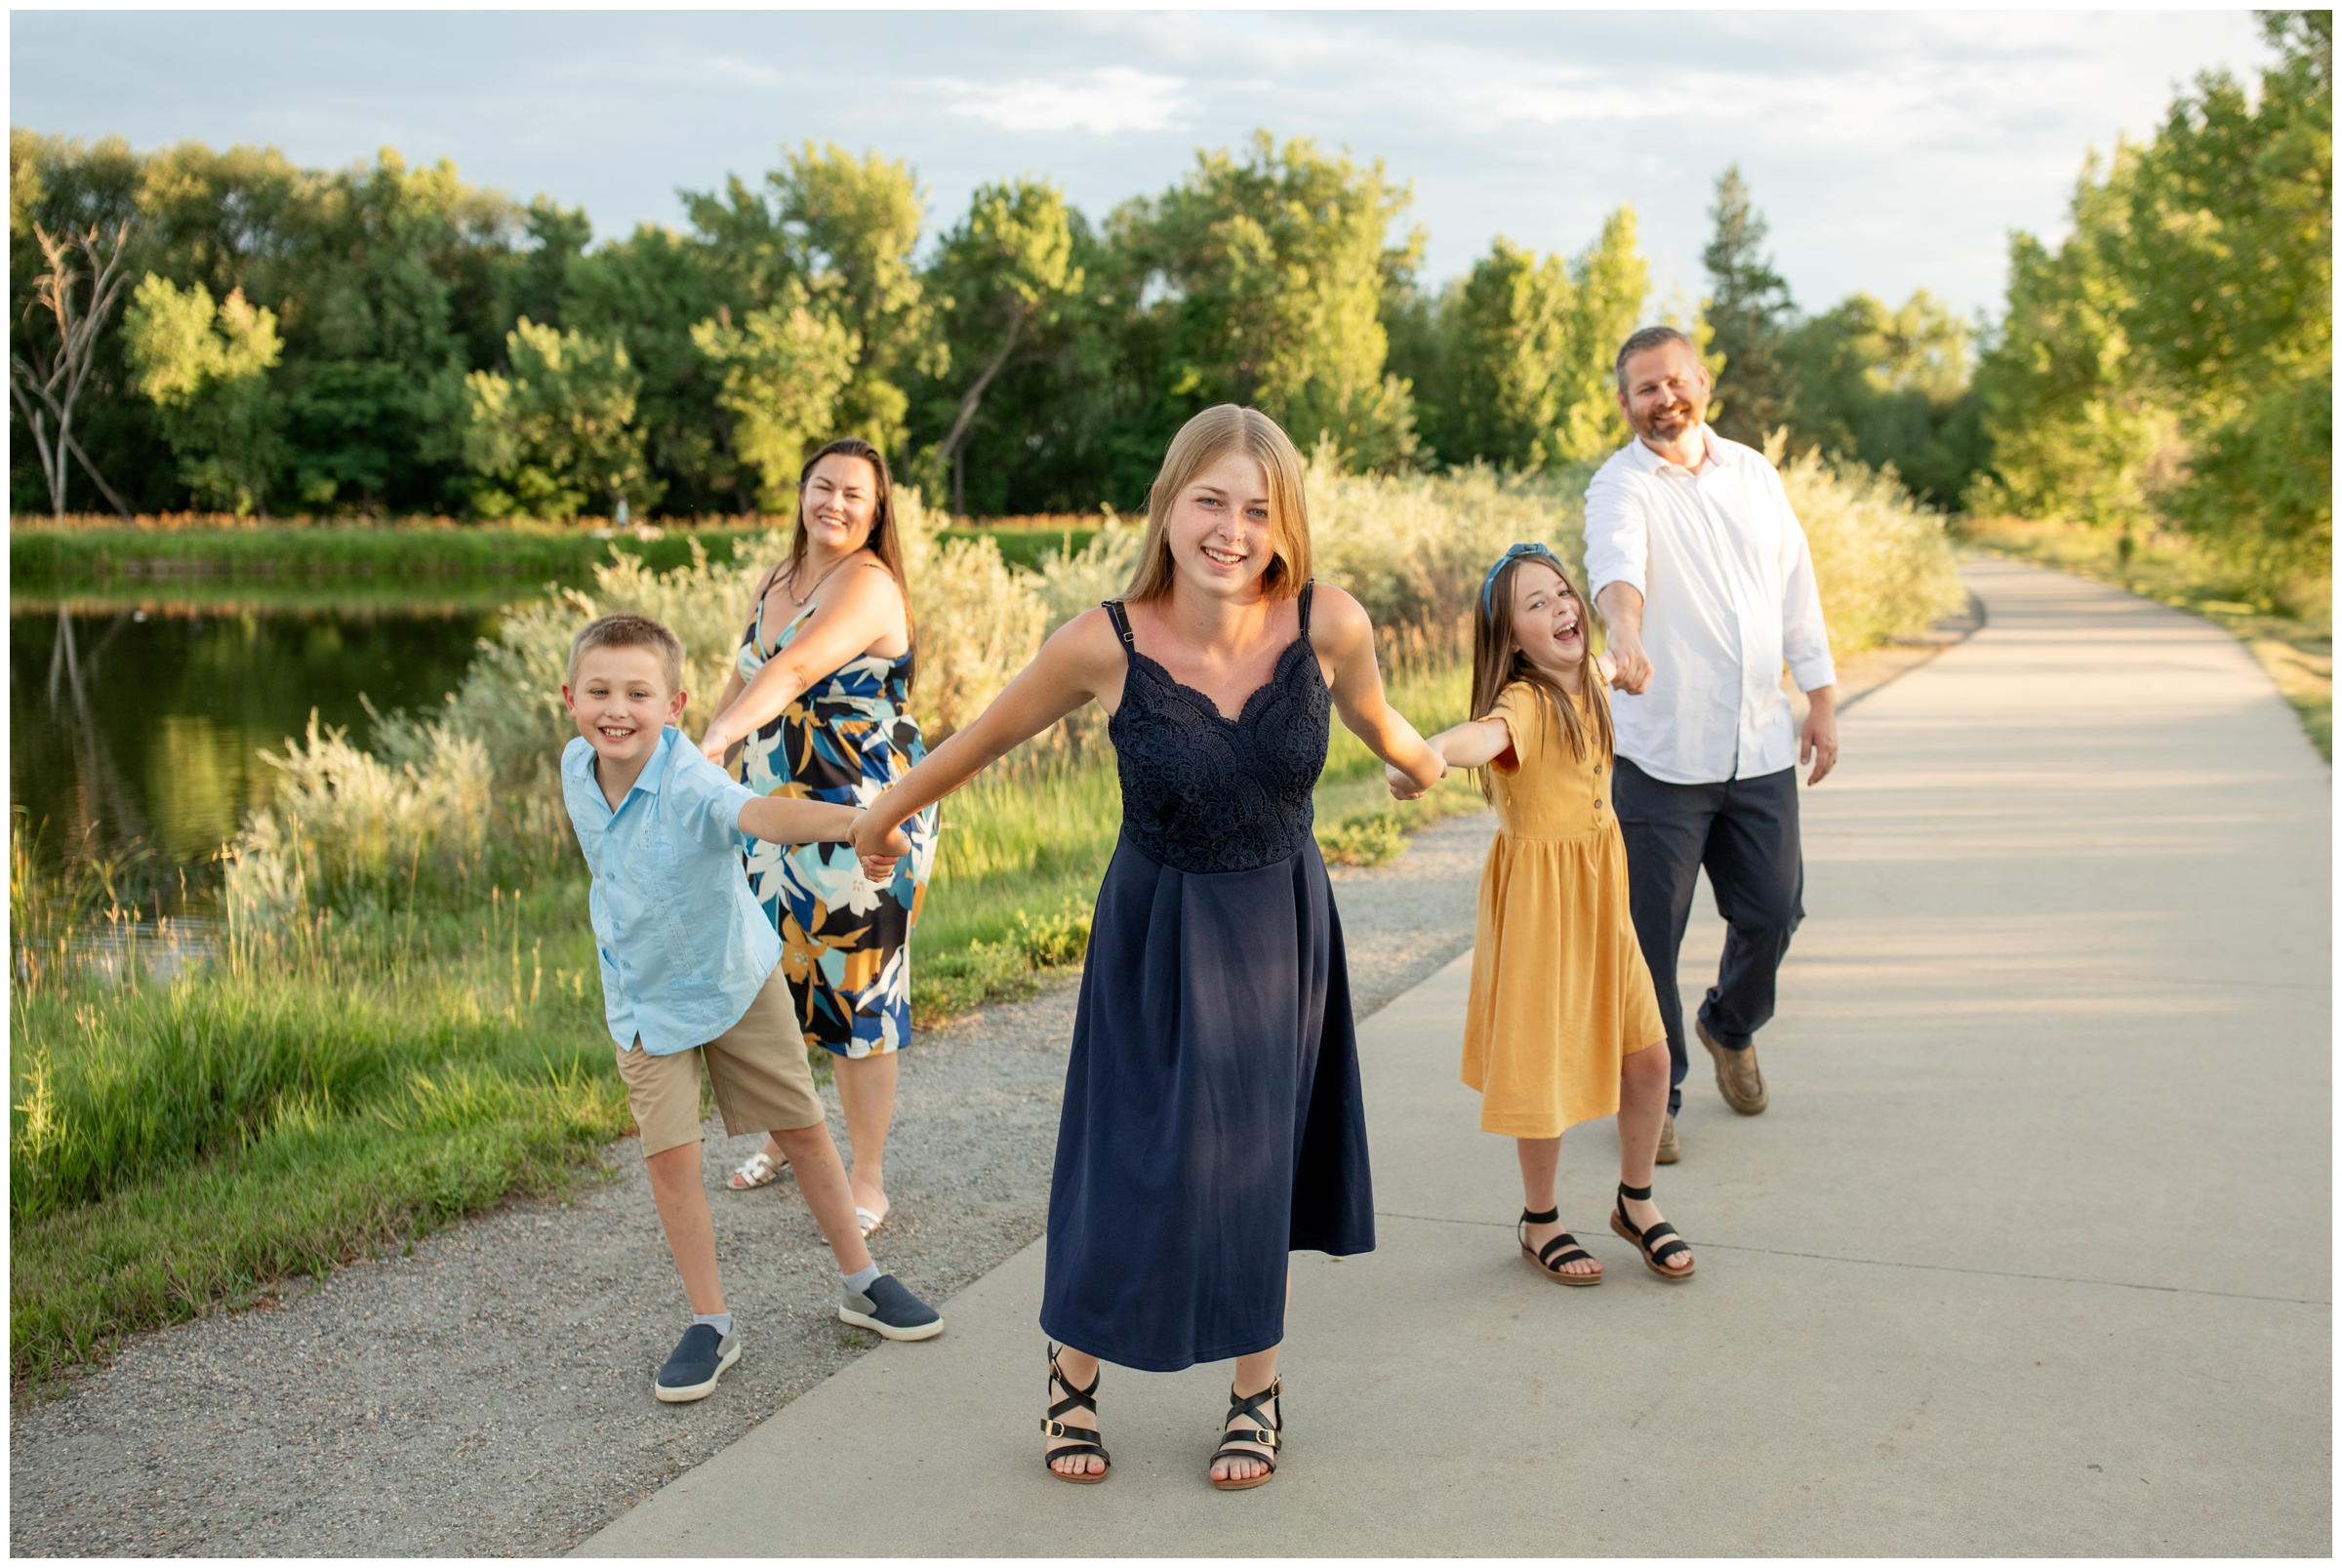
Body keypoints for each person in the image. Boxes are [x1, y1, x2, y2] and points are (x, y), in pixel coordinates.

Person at [849, 405, 1446, 1490]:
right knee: (1129, 1164)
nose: (1232, 528)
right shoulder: (1102, 641)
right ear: (1169, 504)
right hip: (1155, 935)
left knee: (1261, 1168)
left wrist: (1421, 763)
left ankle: (1255, 1392)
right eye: (1210, 500)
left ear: (1285, 523)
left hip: (1281, 932)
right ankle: (1072, 1374)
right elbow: (977, 741)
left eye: (1258, 509)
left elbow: (1385, 725)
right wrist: (878, 816)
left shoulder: (1330, 621)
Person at [560, 613, 942, 1404]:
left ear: (675, 705)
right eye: (599, 691)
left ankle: (861, 1280)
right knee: (671, 1160)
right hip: (642, 999)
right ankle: (711, 1323)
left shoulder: (690, 775)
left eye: (638, 692)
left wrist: (855, 822)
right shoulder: (576, 769)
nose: (617, 709)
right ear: (570, 698)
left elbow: (763, 815)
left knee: (801, 1128)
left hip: (736, 979)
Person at [1392, 543, 1692, 1283]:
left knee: (1649, 1056)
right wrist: (1428, 752)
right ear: (1512, 639)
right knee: (1543, 1065)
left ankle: (1635, 1200)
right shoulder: (1525, 701)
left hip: (1600, 901)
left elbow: (1622, 659)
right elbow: (1482, 737)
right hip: (1540, 906)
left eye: (1563, 592)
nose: (1561, 605)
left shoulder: (1589, 677)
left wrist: (1632, 649)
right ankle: (1541, 1218)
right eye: (1537, 602)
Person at [1585, 325, 1839, 1163]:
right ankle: (1657, 1095)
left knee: (1774, 910)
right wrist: (1625, 635)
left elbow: (1796, 589)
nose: (1663, 399)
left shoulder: (1755, 475)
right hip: (1662, 754)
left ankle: (1731, 1022)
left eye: (1673, 381)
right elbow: (1617, 569)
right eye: (1644, 389)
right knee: (1648, 936)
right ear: (1625, 405)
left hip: (1761, 744)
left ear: (1701, 381)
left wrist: (1822, 700)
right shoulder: (1620, 484)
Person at [699, 439, 936, 1238]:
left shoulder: (868, 585)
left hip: (868, 813)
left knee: (856, 987)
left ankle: (867, 1177)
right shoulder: (780, 577)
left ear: (876, 512)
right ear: (801, 491)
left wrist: (716, 740)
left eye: (855, 495)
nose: (836, 502)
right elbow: (749, 666)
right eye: (824, 486)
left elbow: (795, 669)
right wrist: (709, 752)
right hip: (776, 811)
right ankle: (785, 1131)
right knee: (778, 978)